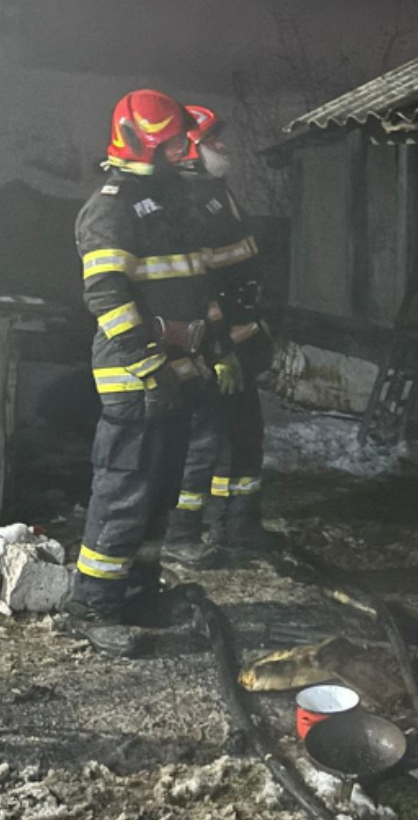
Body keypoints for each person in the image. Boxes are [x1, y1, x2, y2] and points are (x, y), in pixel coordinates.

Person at [66, 90, 260, 623]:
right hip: (135, 374)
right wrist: (149, 365)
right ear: (140, 144)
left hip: (178, 373)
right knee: (124, 492)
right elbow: (106, 297)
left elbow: (201, 289)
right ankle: (94, 606)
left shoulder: (173, 202)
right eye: (171, 143)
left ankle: (139, 592)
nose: (183, 151)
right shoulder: (110, 208)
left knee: (159, 494)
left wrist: (217, 349)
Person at [164, 146, 274, 564]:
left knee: (244, 436)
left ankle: (238, 527)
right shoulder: (187, 199)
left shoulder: (217, 193)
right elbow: (200, 286)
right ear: (191, 147)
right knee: (203, 442)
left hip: (240, 342)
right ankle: (181, 533)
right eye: (213, 139)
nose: (225, 147)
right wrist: (218, 347)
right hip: (214, 346)